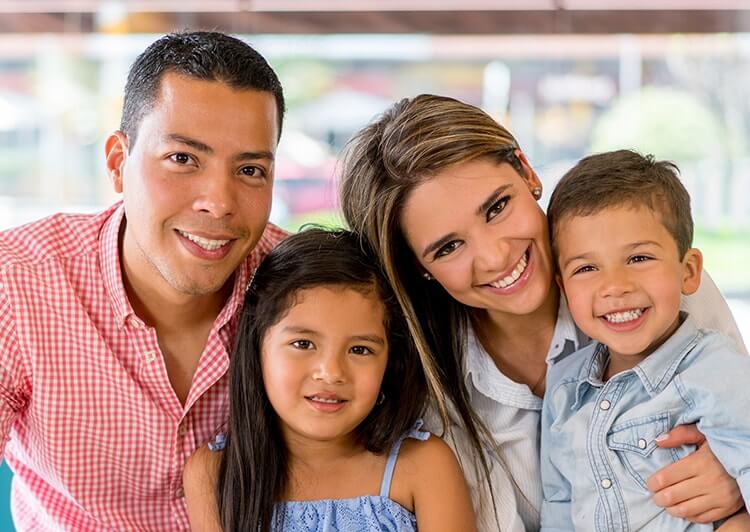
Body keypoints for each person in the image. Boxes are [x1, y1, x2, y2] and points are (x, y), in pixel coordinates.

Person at [339, 94, 748, 531]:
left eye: (497, 207)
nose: (496, 257)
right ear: (420, 268)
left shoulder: (658, 286)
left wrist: (734, 486)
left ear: (527, 171)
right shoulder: (425, 395)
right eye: (449, 247)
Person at [0, 31, 287, 530]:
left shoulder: (303, 287)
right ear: (117, 163)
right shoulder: (19, 283)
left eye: (249, 170)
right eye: (183, 159)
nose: (218, 202)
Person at [182, 228, 475, 532]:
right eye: (303, 344)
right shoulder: (214, 474)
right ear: (257, 347)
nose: (331, 372)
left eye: (360, 349)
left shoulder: (422, 466)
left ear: (390, 361)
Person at [539, 150, 750, 531]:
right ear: (563, 288)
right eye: (586, 268)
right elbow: (559, 504)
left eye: (638, 258)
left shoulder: (716, 368)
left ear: (688, 271)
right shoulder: (564, 388)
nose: (615, 286)